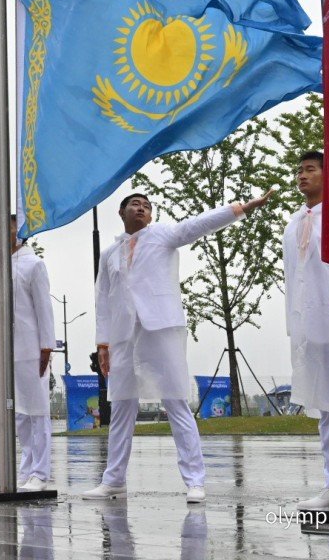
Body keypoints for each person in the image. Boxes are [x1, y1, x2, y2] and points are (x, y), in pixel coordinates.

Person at [82, 190, 272, 501]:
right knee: (121, 407)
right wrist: (102, 343)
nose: (141, 209)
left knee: (176, 402)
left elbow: (198, 224)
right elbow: (102, 298)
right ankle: (113, 479)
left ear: (152, 215)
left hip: (161, 328)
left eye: (146, 206)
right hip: (123, 336)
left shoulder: (163, 235)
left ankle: (195, 480)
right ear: (121, 212)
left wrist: (241, 209)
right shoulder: (109, 254)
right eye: (135, 205)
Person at [283, 151, 329, 510]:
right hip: (308, 325)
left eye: (310, 169)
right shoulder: (294, 222)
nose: (302, 176)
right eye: (299, 171)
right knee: (325, 406)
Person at [10, 215, 57, 492]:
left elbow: (44, 309)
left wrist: (46, 346)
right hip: (8, 350)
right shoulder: (0, 264)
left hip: (32, 348)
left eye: (12, 223)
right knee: (19, 414)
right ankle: (26, 467)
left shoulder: (34, 264)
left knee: (38, 411)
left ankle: (40, 472)